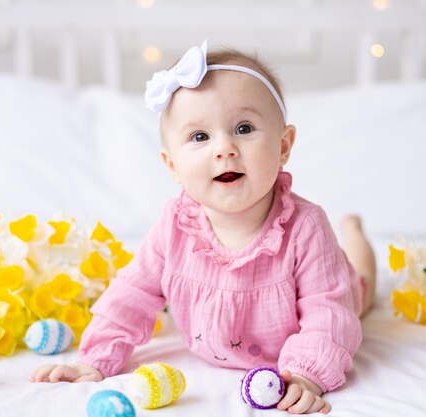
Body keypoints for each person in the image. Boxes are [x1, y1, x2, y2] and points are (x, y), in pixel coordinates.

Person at [31, 41, 377, 415]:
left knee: (360, 291)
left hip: (333, 291)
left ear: (283, 145)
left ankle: (354, 233)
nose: (224, 148)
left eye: (244, 128)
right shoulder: (174, 227)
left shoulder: (306, 227)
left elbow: (328, 313)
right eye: (199, 137)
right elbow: (132, 294)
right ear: (172, 165)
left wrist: (306, 375)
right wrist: (95, 359)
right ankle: (354, 233)